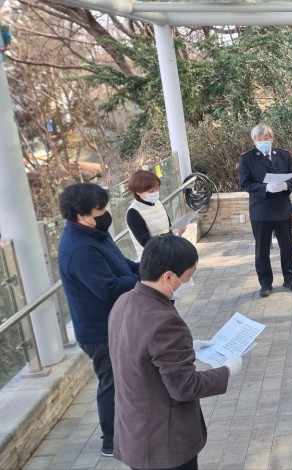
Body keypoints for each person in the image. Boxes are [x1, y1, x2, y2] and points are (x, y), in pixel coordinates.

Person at [108, 235, 241, 470]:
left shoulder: (124, 300)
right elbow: (185, 387)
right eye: (189, 276)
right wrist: (227, 370)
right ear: (168, 276)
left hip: (134, 432)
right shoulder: (164, 321)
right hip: (164, 443)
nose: (190, 282)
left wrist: (187, 348)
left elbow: (139, 351)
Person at [57, 183, 140, 457]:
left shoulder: (94, 234)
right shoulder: (79, 249)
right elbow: (108, 287)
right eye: (99, 210)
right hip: (99, 331)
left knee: (124, 379)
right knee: (112, 383)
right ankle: (111, 440)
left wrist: (148, 268)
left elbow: (121, 263)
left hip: (115, 322)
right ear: (81, 215)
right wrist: (145, 280)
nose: (105, 214)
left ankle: (129, 427)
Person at [239, 123, 292, 297]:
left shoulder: (283, 155)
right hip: (261, 211)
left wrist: (285, 185)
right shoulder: (247, 158)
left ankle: (289, 279)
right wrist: (266, 188)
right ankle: (265, 283)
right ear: (254, 141)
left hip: (282, 209)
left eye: (266, 138)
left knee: (287, 247)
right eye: (259, 139)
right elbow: (245, 183)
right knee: (262, 250)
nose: (263, 141)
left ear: (272, 138)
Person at [125, 169, 184, 260]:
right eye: (151, 191)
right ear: (137, 192)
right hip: (152, 261)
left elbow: (168, 227)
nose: (155, 193)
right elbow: (146, 242)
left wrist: (176, 232)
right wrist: (173, 234)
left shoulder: (158, 203)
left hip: (169, 253)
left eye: (157, 189)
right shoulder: (133, 213)